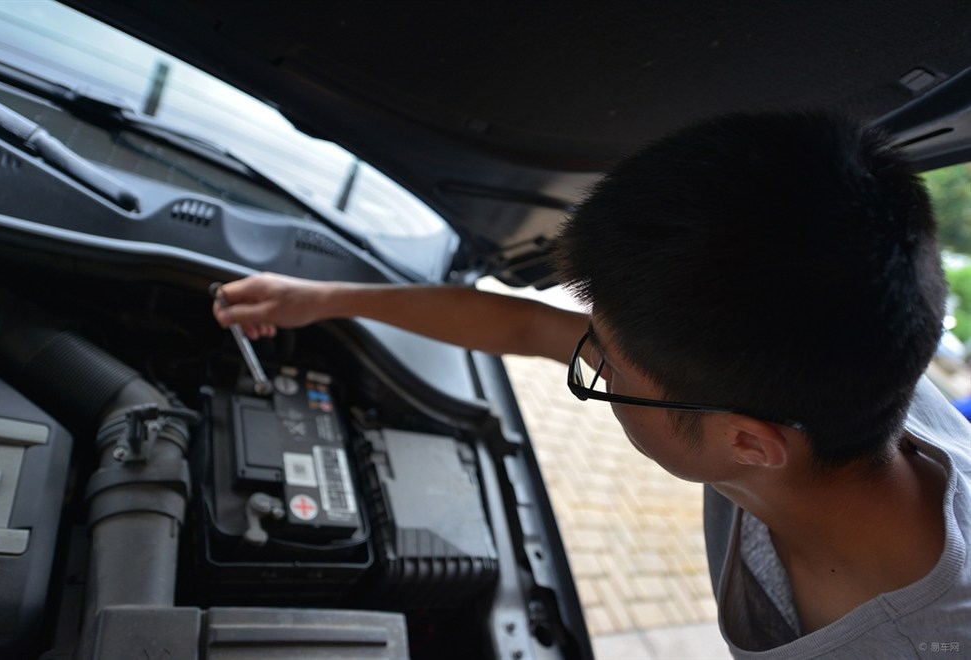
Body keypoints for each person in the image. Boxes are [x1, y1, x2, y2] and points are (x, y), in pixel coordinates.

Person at [213, 110, 970, 657]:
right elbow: (525, 327)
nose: (584, 360)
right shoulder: (850, 381)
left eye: (602, 369)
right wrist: (320, 298)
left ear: (749, 442)